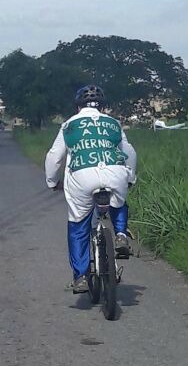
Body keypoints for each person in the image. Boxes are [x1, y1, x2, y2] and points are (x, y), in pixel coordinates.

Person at [45, 85, 137, 294]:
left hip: (82, 177)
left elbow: (54, 156)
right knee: (119, 201)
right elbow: (129, 151)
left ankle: (80, 277)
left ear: (78, 107)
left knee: (78, 225)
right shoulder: (113, 123)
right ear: (103, 107)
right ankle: (121, 234)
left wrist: (52, 182)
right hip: (115, 172)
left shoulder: (69, 125)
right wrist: (130, 177)